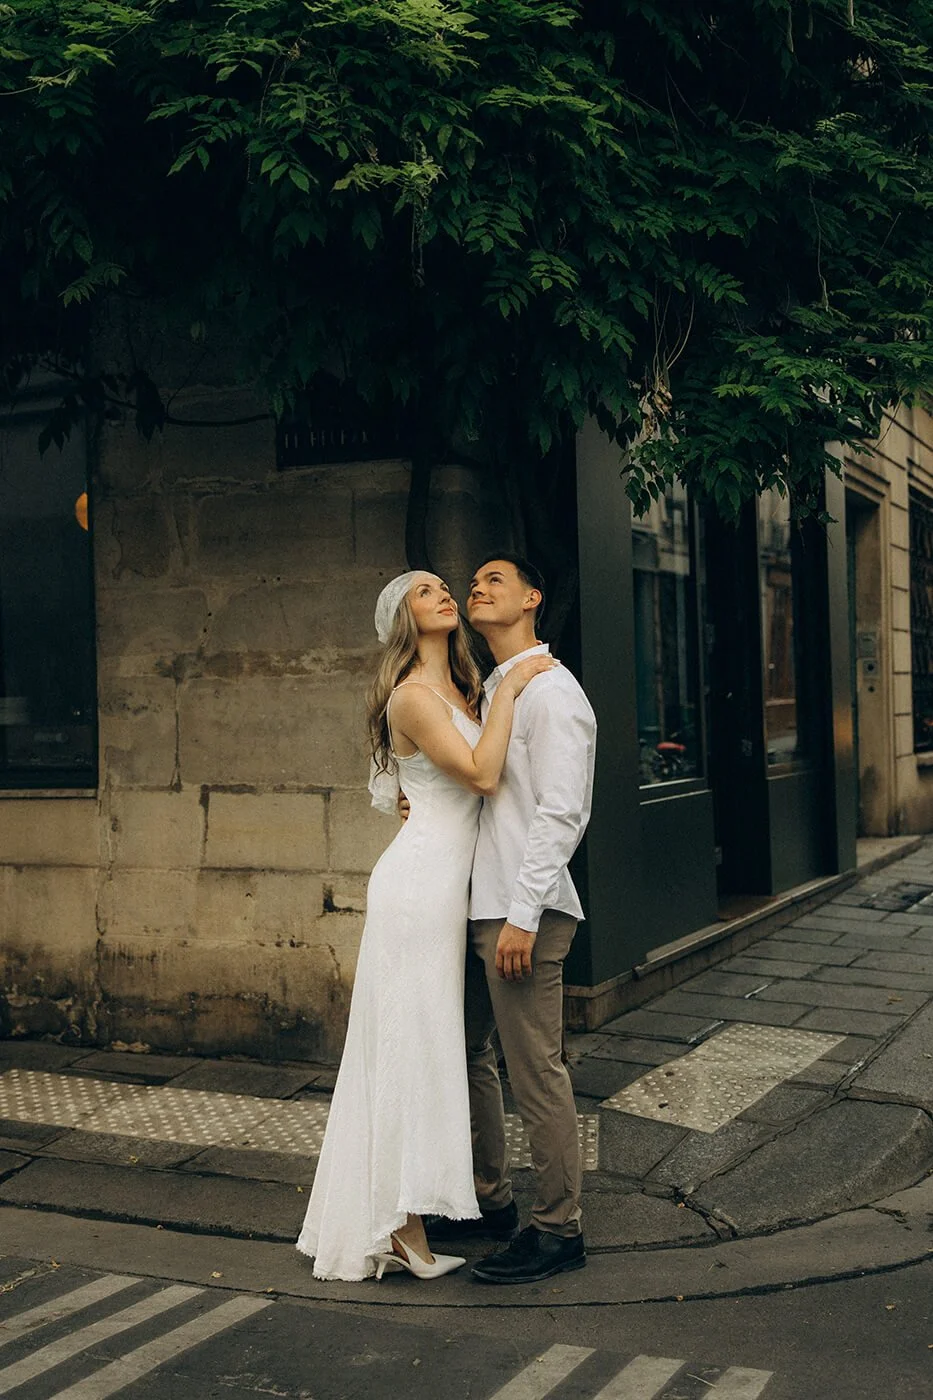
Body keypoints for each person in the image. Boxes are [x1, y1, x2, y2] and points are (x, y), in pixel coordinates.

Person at [295, 569, 556, 1282]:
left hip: (453, 888)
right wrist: (515, 684)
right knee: (406, 1050)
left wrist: (496, 692)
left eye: (445, 587)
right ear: (404, 621)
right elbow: (480, 774)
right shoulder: (413, 695)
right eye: (425, 592)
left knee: (437, 1048)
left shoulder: (464, 689)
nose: (444, 594)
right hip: (418, 890)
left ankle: (418, 1209)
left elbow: (431, 786)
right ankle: (400, 1228)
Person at [427, 553, 597, 1285]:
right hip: (475, 906)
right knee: (465, 1054)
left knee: (535, 1073)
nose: (477, 586)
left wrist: (523, 917)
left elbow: (563, 813)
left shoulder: (552, 691)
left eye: (495, 579)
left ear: (532, 598)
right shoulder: (495, 686)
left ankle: (558, 1229)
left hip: (520, 913)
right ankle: (488, 1201)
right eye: (474, 580)